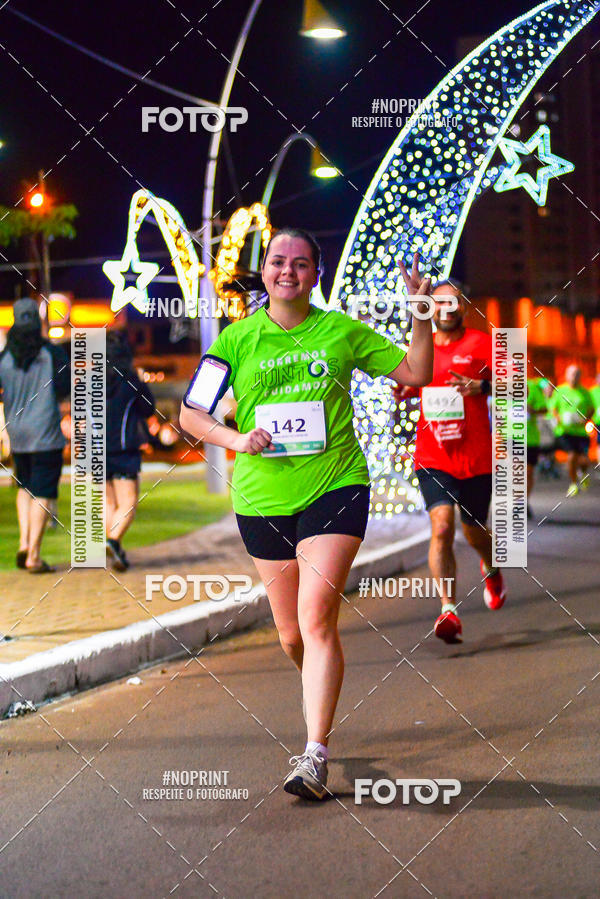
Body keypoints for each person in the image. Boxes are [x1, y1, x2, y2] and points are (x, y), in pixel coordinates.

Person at [180, 228, 433, 801]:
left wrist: (419, 315)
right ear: (264, 271)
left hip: (335, 487)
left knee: (317, 619)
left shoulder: (341, 331)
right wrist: (236, 439)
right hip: (262, 499)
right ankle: (318, 684)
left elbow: (414, 374)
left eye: (300, 263)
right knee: (292, 634)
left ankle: (314, 753)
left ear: (316, 273)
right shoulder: (237, 340)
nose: (287, 271)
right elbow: (191, 412)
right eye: (276, 262)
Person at [394, 280, 506, 645]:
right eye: (437, 303)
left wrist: (484, 388)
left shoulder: (482, 342)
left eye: (452, 302)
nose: (445, 309)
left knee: (475, 530)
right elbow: (410, 382)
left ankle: (491, 567)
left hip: (475, 457)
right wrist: (403, 389)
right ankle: (448, 610)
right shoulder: (419, 346)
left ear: (463, 306)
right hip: (432, 456)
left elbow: (518, 381)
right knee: (441, 527)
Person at [0, 298, 69, 572]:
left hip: (17, 434)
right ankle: (34, 555)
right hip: (46, 433)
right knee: (43, 490)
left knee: (24, 487)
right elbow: (64, 389)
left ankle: (23, 542)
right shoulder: (52, 355)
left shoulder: (4, 358)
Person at [105, 330, 155, 571]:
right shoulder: (132, 381)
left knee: (109, 502)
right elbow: (148, 410)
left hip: (97, 451)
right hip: (124, 450)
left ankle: (115, 548)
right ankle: (113, 540)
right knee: (128, 503)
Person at [548, 364, 594, 497]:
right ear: (567, 376)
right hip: (565, 431)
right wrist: (559, 419)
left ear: (580, 376)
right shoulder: (560, 391)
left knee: (584, 459)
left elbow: (591, 408)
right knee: (572, 455)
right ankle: (573, 483)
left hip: (580, 432)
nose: (574, 377)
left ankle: (584, 473)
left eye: (577, 374)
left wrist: (585, 420)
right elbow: (553, 408)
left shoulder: (585, 392)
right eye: (572, 374)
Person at [526, 376, 548, 518]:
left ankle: (523, 501)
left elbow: (544, 409)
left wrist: (532, 410)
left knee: (528, 472)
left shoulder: (532, 387)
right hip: (509, 436)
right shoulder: (501, 386)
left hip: (530, 438)